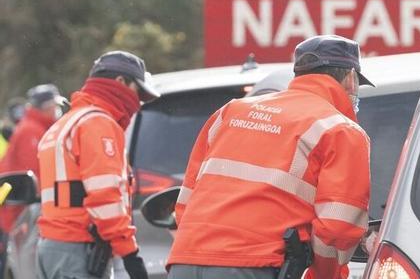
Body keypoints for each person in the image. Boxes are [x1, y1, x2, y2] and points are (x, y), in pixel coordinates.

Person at [167, 35, 372, 279]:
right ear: (350, 77)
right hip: (258, 266)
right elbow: (338, 228)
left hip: (185, 262)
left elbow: (186, 201)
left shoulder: (230, 112)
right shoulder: (341, 130)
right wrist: (325, 275)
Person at [36, 51, 159, 279]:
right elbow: (105, 198)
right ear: (121, 82)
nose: (138, 101)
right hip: (79, 250)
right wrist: (130, 254)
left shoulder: (65, 124)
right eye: (137, 91)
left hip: (52, 247)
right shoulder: (98, 124)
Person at [0, 85, 67, 235]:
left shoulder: (35, 128)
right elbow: (37, 174)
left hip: (21, 210)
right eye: (55, 106)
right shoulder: (31, 131)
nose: (57, 111)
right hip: (20, 212)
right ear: (46, 107)